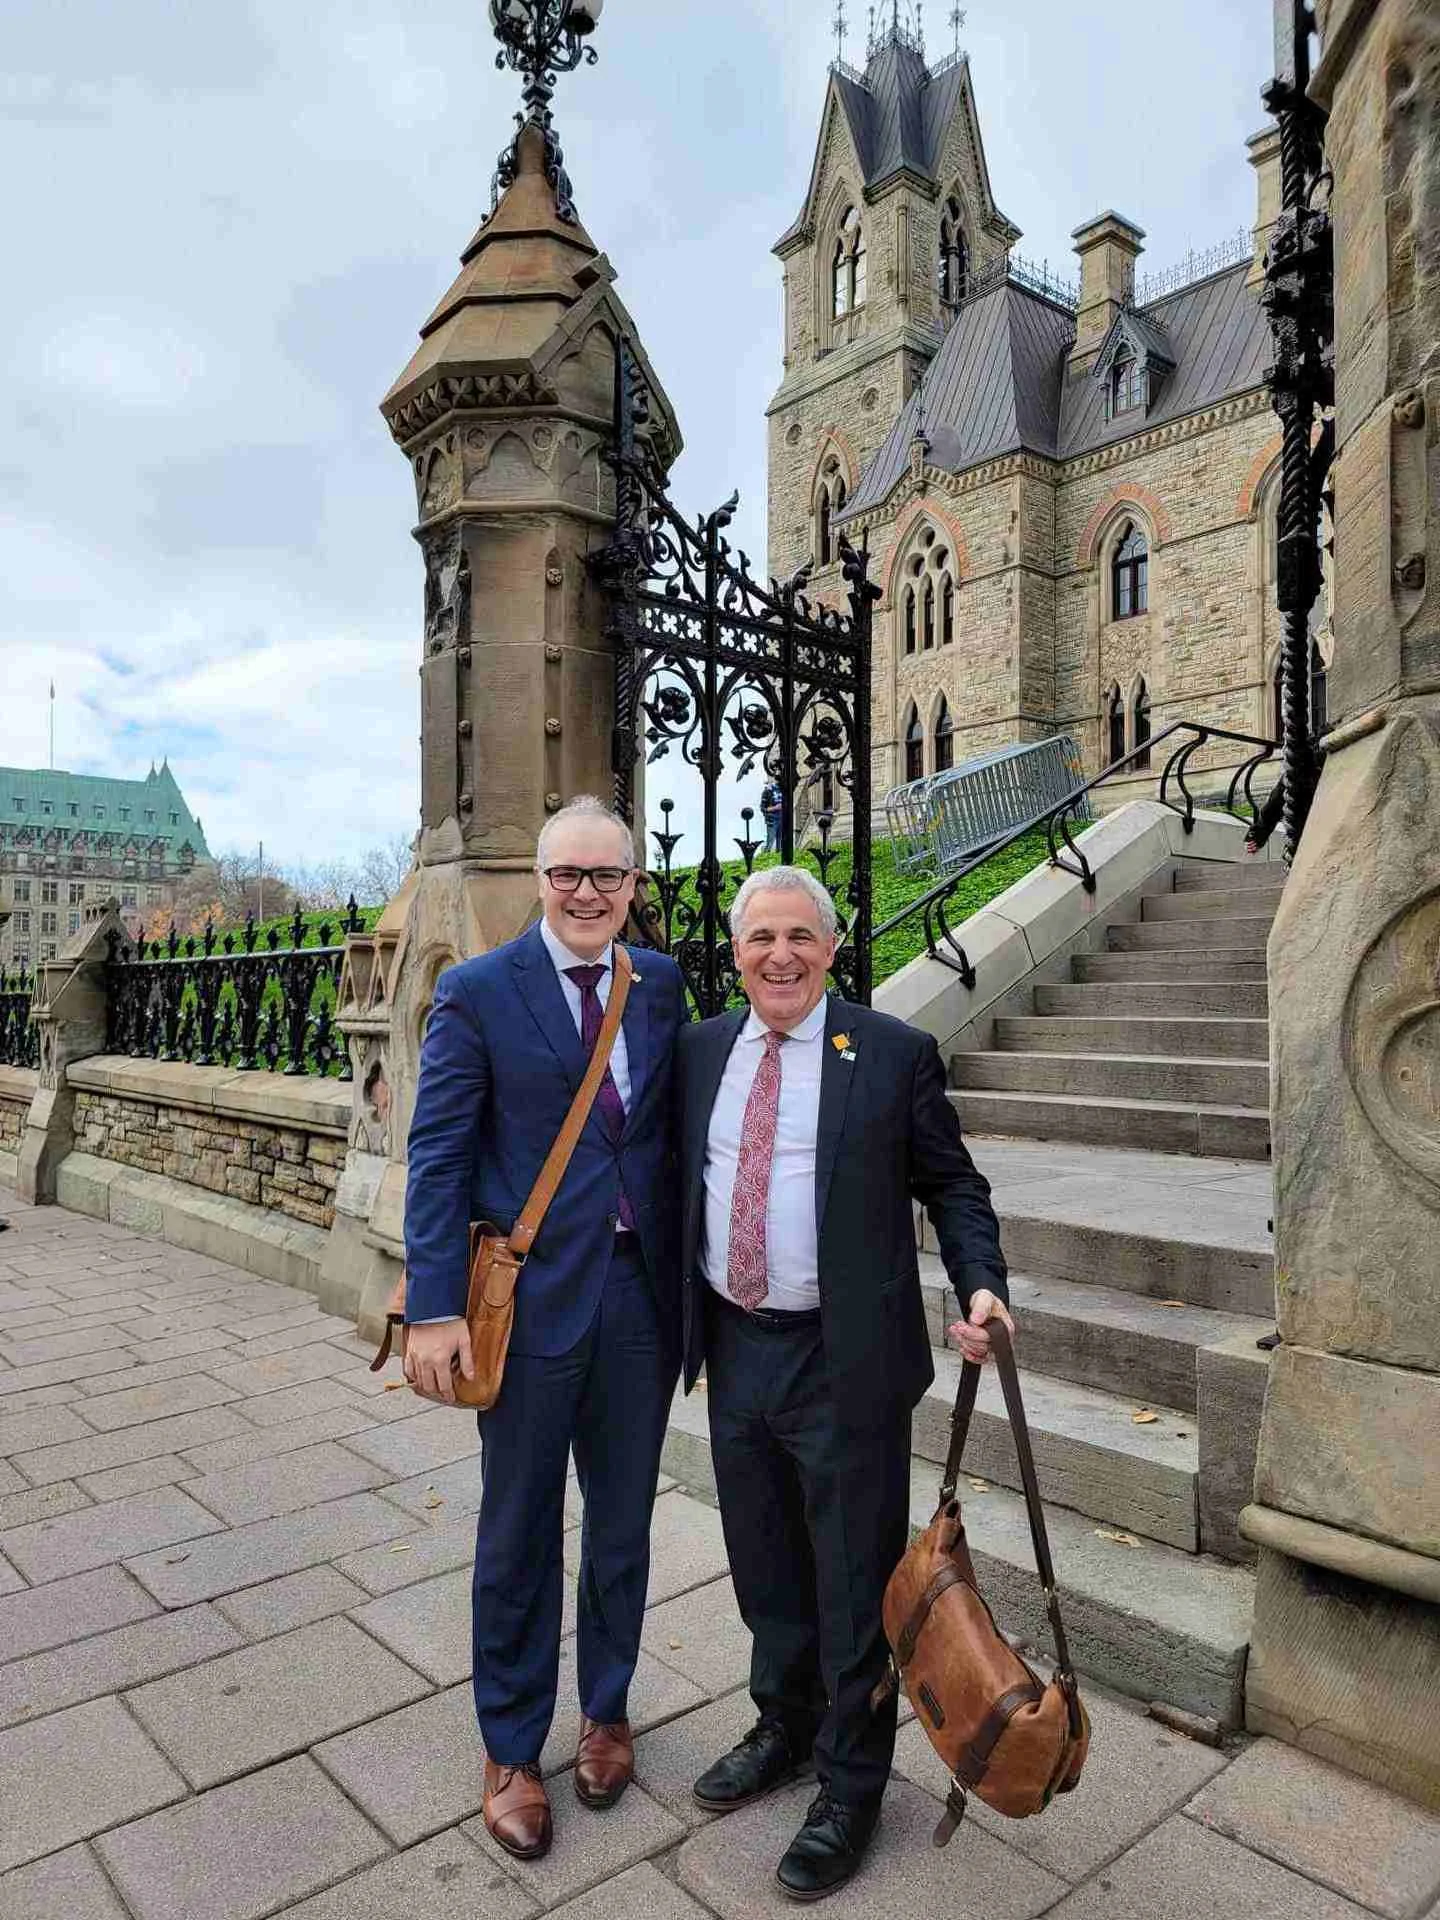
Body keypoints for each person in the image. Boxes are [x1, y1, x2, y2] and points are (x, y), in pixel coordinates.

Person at [677, 866, 1012, 1901]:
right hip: (734, 1348)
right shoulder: (698, 1052)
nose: (778, 954)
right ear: (733, 954)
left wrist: (983, 1284)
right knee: (763, 1559)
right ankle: (782, 1723)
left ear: (830, 948)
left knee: (854, 1580)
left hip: (844, 1359)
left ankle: (852, 1783)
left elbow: (953, 1183)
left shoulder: (891, 1054)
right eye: (759, 937)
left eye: (799, 937)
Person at [403, 796, 686, 1863]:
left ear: (631, 885)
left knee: (620, 1523)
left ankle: (606, 1708)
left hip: (637, 1303)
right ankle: (513, 1747)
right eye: (569, 874)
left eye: (607, 876)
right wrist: (433, 1307)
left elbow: (666, 1140)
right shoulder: (478, 992)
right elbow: (437, 1158)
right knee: (519, 1528)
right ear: (538, 878)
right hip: (523, 1310)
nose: (587, 893)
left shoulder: (655, 984)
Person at [760, 779, 784, 855]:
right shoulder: (767, 791)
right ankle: (765, 857)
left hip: (782, 818)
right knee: (770, 840)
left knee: (780, 841)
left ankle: (778, 857)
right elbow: (762, 808)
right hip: (772, 819)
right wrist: (775, 808)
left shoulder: (784, 789)